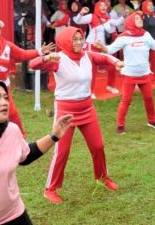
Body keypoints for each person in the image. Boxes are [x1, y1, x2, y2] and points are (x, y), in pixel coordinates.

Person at [0, 81, 74, 225]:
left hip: (14, 215)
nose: (4, 102)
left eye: (6, 97)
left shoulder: (11, 130)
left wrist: (54, 136)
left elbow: (26, 155)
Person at [29, 26, 123, 203]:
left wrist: (116, 63)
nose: (79, 42)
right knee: (62, 151)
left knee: (98, 146)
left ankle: (102, 177)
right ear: (65, 41)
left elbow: (104, 57)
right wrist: (47, 57)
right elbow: (33, 65)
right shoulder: (59, 59)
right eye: (75, 39)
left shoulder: (87, 55)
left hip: (87, 107)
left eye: (81, 38)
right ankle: (50, 188)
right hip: (66, 110)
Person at [103, 11, 155, 134]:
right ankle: (120, 126)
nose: (140, 20)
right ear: (130, 22)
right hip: (129, 75)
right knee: (126, 100)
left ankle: (152, 121)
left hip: (145, 74)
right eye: (137, 18)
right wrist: (101, 47)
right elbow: (110, 49)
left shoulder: (146, 35)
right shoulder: (124, 37)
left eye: (141, 18)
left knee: (149, 98)